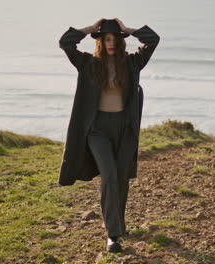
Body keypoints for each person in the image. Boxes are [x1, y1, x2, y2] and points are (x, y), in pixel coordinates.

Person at [58, 18, 160, 253]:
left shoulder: (132, 63)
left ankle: (118, 224)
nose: (111, 43)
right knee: (110, 175)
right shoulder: (87, 63)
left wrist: (129, 30)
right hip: (97, 129)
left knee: (121, 178)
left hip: (125, 128)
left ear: (121, 41)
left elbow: (153, 40)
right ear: (100, 41)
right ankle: (112, 234)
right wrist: (89, 30)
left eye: (115, 38)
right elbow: (66, 43)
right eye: (106, 38)